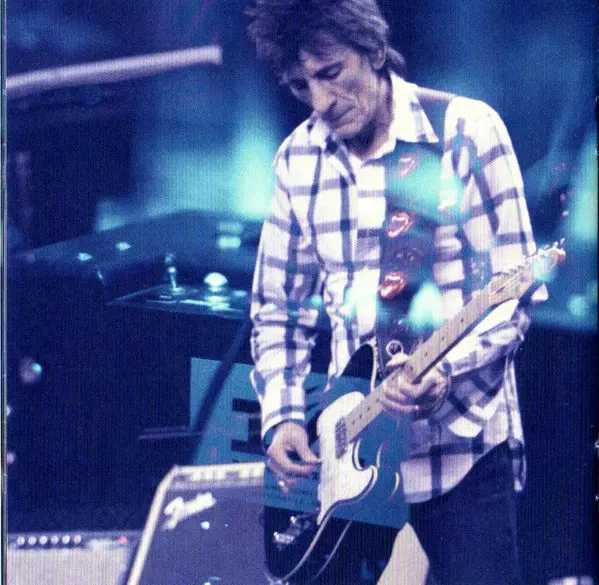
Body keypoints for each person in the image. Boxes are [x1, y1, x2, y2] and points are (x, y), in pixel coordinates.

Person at [247, 1, 546, 583]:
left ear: (375, 51)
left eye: (331, 73)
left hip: (461, 450)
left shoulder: (466, 131)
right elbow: (278, 311)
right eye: (302, 86)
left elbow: (512, 299)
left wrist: (445, 372)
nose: (321, 101)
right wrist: (283, 418)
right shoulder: (296, 162)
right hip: (349, 458)